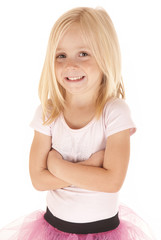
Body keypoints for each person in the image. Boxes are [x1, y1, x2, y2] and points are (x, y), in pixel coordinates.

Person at [0, 6, 155, 240]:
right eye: (61, 55)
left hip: (104, 232)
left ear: (106, 57)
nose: (70, 65)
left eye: (83, 53)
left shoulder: (114, 113)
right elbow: (38, 180)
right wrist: (91, 166)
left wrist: (58, 166)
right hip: (52, 230)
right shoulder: (48, 112)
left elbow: (112, 181)